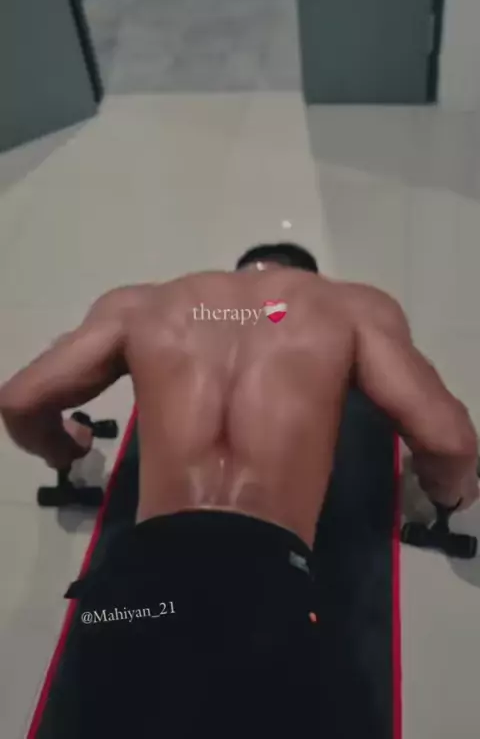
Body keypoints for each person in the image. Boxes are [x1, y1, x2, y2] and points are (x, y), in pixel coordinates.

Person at [0, 242, 478, 738]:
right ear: (309, 276)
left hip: (135, 583)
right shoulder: (353, 305)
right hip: (265, 585)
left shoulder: (142, 303)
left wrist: (67, 450)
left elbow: (18, 402)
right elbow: (450, 444)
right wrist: (448, 497)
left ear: (240, 270)